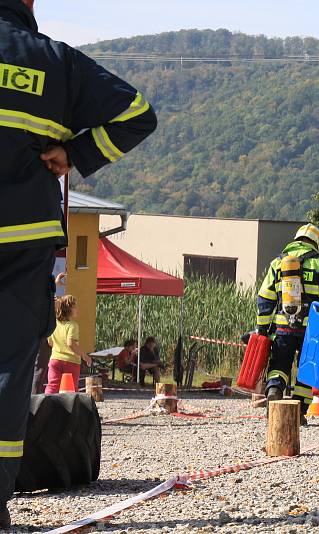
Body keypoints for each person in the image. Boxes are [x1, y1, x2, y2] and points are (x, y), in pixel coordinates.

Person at [0, 0, 156, 523]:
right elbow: (137, 114)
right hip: (23, 239)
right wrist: (76, 154)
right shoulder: (55, 61)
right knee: (9, 367)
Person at [256, 224, 319, 424]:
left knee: (279, 365)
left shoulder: (278, 263)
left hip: (283, 327)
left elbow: (265, 298)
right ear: (316, 242)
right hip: (312, 331)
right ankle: (299, 412)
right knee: (307, 370)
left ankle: (275, 392)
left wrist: (263, 329)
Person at [44, 295, 92, 394]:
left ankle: (47, 406)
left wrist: (59, 348)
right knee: (70, 389)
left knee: (52, 386)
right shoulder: (72, 325)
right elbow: (71, 343)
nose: (77, 309)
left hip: (55, 359)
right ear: (68, 309)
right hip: (71, 362)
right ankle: (70, 409)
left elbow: (50, 342)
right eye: (75, 306)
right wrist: (85, 356)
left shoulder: (54, 324)